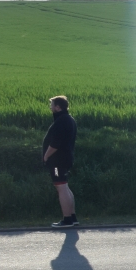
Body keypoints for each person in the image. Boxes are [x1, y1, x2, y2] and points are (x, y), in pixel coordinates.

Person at [42, 95, 78, 227]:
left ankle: (67, 219)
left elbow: (55, 143)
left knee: (61, 187)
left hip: (58, 161)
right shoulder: (69, 119)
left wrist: (46, 156)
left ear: (58, 107)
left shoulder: (62, 121)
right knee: (65, 187)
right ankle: (73, 217)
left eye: (51, 105)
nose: (50, 107)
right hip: (65, 159)